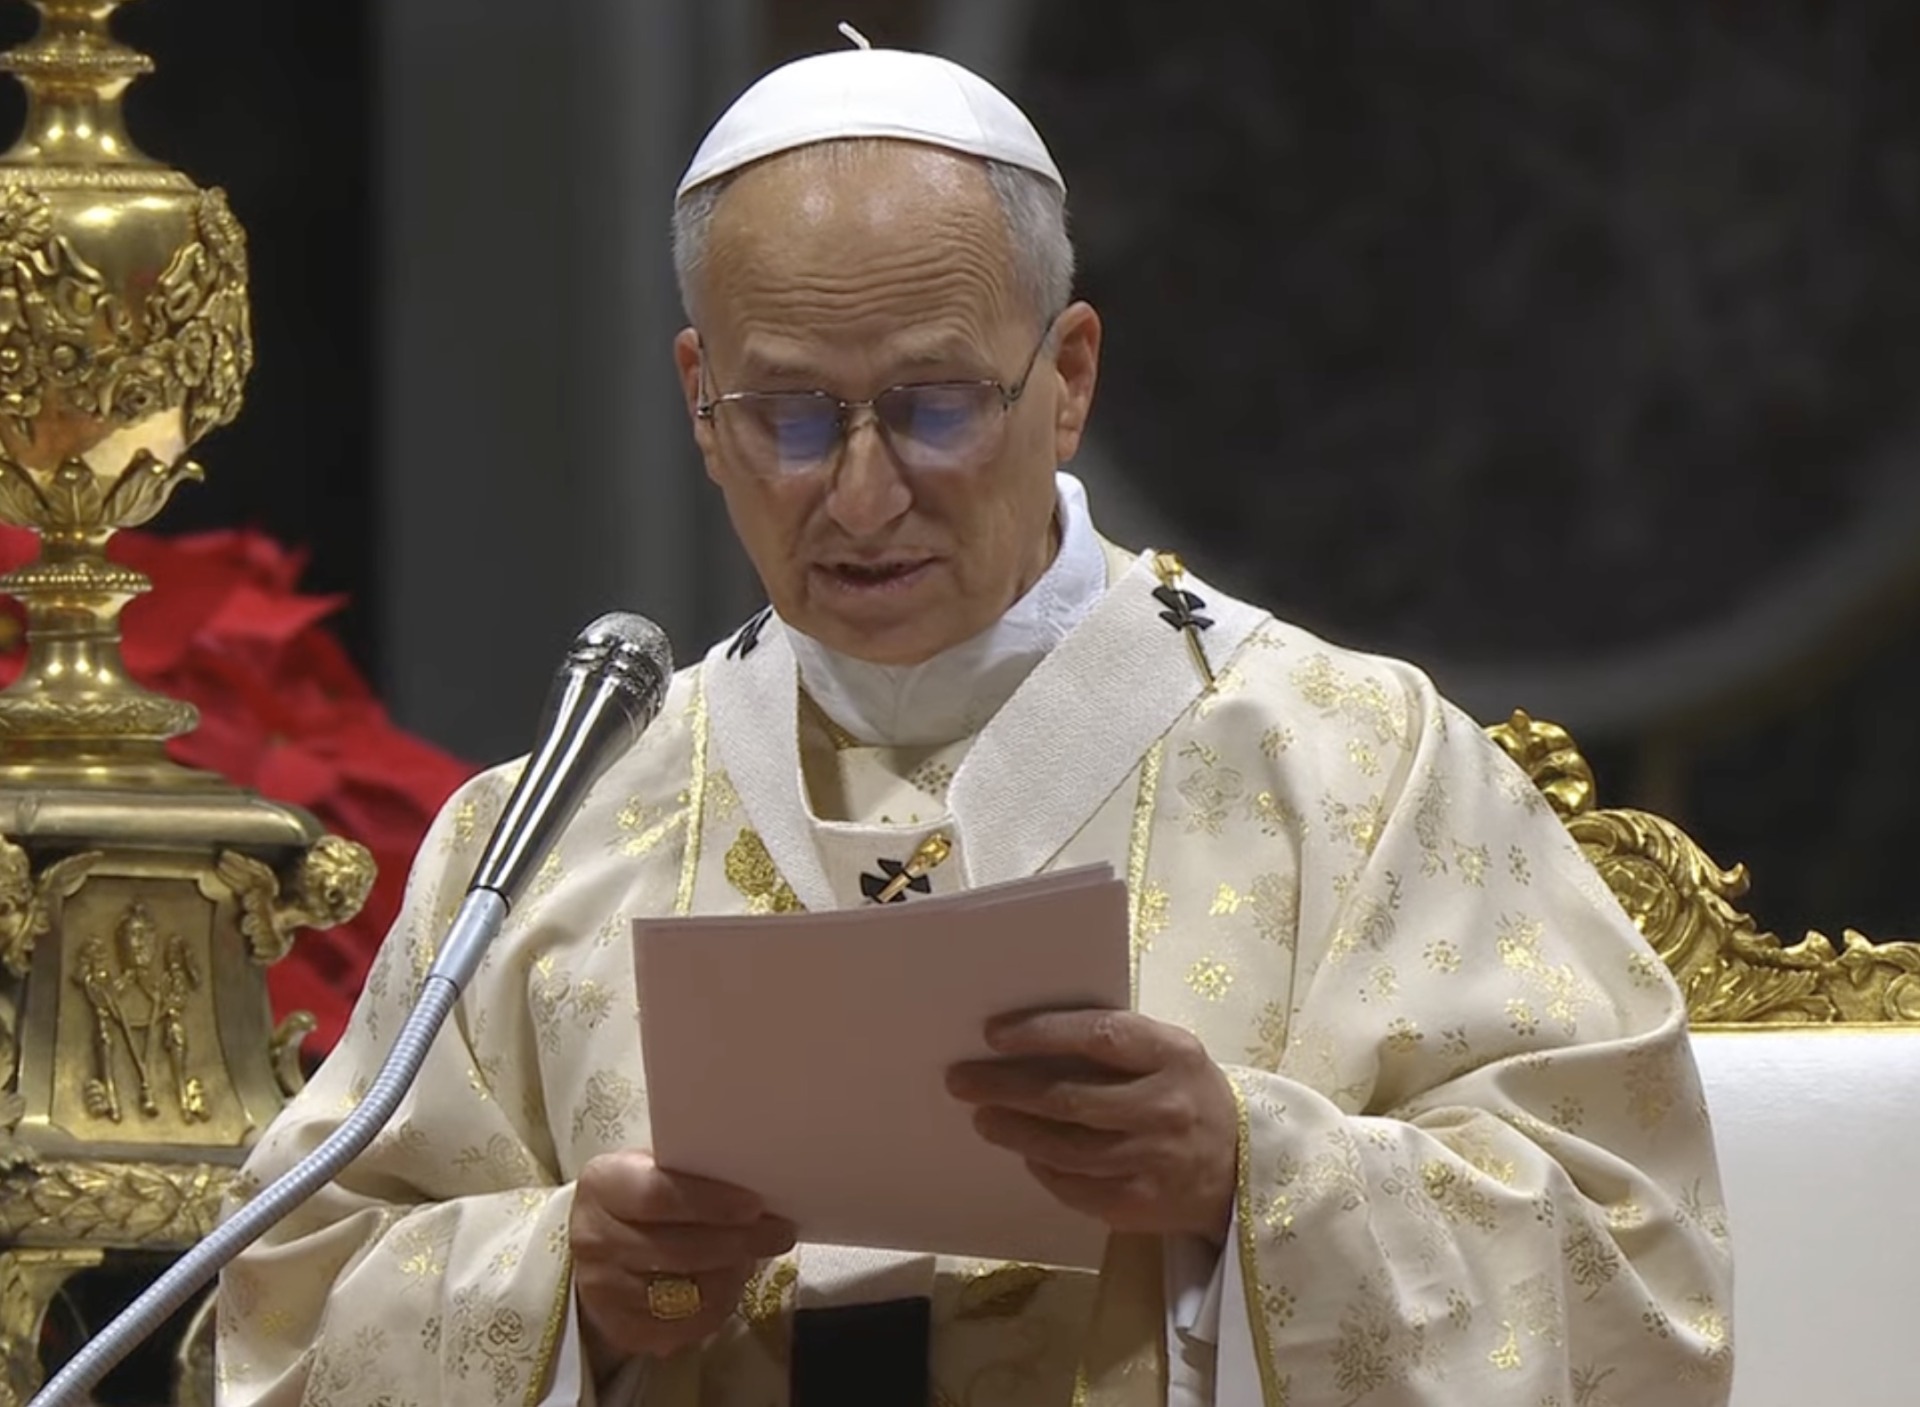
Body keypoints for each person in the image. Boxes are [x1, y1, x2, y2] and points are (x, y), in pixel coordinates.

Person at [216, 36, 1732, 1407]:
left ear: (1065, 377)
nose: (862, 493)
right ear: (699, 398)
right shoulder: (552, 831)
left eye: (936, 405)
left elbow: (1635, 1278)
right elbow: (289, 1322)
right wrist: (573, 1289)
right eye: (790, 417)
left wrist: (1248, 1179)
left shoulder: (1354, 767)